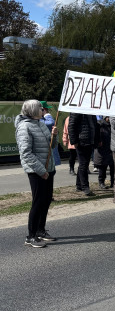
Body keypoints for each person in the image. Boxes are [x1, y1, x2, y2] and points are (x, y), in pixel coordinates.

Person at [14, 99, 59, 248]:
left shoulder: (41, 124)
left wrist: (55, 135)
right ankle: (31, 236)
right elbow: (26, 153)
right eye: (40, 109)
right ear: (32, 111)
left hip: (48, 169)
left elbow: (51, 146)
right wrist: (41, 171)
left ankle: (40, 230)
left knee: (46, 200)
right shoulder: (24, 127)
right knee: (38, 201)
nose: (43, 111)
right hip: (37, 171)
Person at [68, 112, 101, 196]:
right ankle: (85, 187)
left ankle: (79, 185)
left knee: (84, 164)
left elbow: (95, 125)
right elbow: (71, 126)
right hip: (81, 141)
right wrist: (74, 141)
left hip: (90, 141)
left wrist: (97, 139)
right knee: (83, 164)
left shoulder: (90, 110)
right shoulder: (77, 110)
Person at [94, 117, 114, 189]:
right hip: (102, 149)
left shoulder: (113, 124)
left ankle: (113, 183)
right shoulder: (99, 124)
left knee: (113, 167)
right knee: (102, 167)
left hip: (111, 148)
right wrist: (98, 142)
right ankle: (101, 182)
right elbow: (95, 134)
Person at [40, 101, 61, 166]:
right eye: (46, 109)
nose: (48, 111)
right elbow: (51, 123)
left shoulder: (44, 119)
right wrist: (47, 115)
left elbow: (51, 123)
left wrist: (46, 115)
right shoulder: (40, 119)